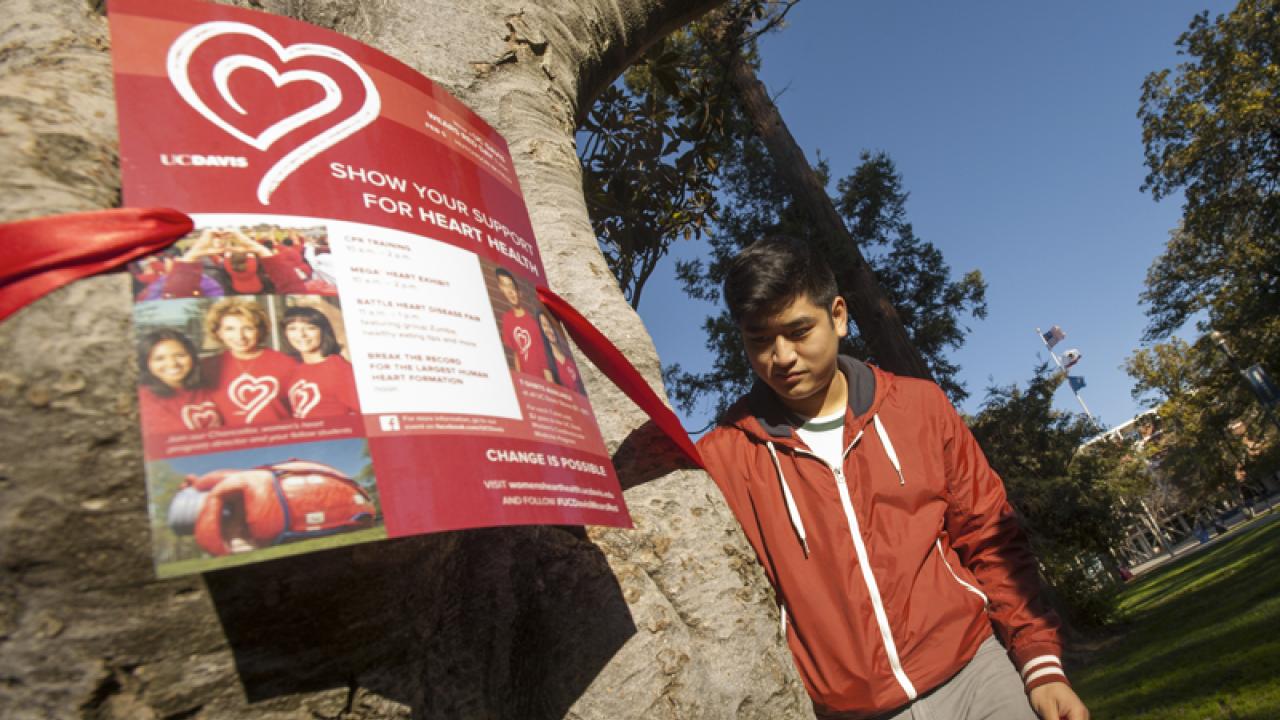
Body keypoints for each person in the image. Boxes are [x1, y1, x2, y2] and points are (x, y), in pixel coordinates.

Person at [696, 237, 1089, 720]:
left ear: (837, 316)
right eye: (759, 340)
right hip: (850, 711)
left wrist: (1040, 663)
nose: (781, 357)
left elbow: (991, 537)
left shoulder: (920, 407)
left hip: (975, 673)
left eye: (799, 331)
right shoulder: (723, 458)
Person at [202, 298, 296, 426]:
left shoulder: (285, 363)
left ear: (260, 331)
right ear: (219, 332)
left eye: (248, 328)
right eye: (230, 329)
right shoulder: (208, 367)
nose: (240, 336)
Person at [136, 328, 223, 434]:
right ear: (146, 363)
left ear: (192, 357)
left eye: (180, 355)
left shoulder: (207, 386)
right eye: (159, 358)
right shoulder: (144, 399)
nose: (172, 364)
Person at [281, 306, 360, 419]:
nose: (301, 335)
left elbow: (364, 414)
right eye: (292, 328)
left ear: (323, 332)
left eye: (310, 328)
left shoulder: (338, 368)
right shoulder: (295, 369)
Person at [495, 267, 552, 381]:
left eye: (512, 286)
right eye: (505, 286)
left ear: (518, 292)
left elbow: (543, 357)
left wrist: (550, 383)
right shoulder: (506, 319)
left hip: (542, 379)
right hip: (526, 380)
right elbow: (516, 353)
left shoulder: (533, 320)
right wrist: (520, 379)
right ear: (500, 288)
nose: (510, 292)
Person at [537, 309, 586, 394]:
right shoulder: (545, 362)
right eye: (544, 325)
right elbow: (552, 393)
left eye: (550, 325)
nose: (549, 329)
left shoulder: (569, 357)